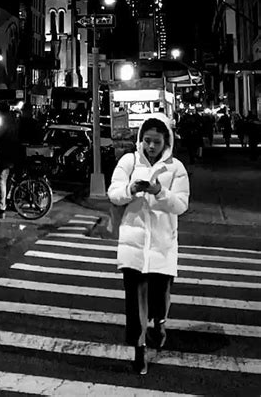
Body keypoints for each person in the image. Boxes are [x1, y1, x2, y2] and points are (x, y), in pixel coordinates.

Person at [108, 115, 190, 375]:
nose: (151, 146)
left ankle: (161, 322)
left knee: (160, 298)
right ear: (140, 140)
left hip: (163, 247)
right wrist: (131, 189)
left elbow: (180, 205)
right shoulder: (128, 162)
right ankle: (139, 350)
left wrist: (159, 192)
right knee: (135, 304)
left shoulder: (176, 168)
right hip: (133, 246)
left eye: (156, 141)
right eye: (147, 141)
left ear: (166, 141)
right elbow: (113, 193)